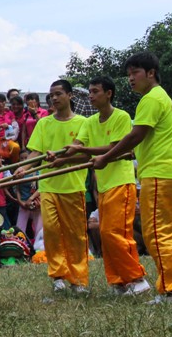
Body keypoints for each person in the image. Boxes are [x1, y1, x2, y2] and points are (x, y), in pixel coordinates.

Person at [91, 52, 172, 304]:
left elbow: (135, 135)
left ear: (151, 73)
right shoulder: (162, 98)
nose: (130, 79)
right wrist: (124, 156)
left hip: (159, 174)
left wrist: (106, 157)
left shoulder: (151, 99)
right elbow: (147, 141)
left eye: (135, 73)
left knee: (157, 233)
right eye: (128, 74)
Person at [55, 76, 149, 295]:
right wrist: (61, 157)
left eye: (95, 91)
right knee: (106, 234)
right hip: (104, 186)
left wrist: (81, 150)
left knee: (116, 233)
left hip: (122, 183)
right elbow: (78, 147)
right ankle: (118, 282)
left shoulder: (122, 117)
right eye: (89, 91)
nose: (91, 95)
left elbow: (115, 148)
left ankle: (137, 279)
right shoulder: (89, 122)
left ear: (109, 93)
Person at [17, 80, 88, 293]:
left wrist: (65, 157)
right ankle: (58, 276)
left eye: (59, 94)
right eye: (51, 95)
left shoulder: (84, 123)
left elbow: (86, 153)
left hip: (73, 186)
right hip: (48, 186)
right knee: (51, 232)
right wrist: (24, 167)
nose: (54, 98)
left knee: (76, 235)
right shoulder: (44, 123)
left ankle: (79, 279)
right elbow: (36, 152)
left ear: (70, 95)